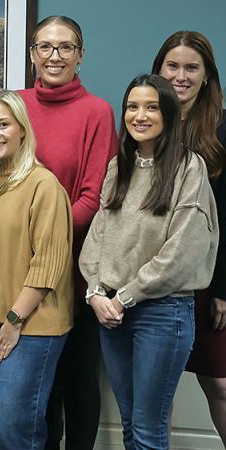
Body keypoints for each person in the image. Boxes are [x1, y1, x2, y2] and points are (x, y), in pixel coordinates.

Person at [80, 74, 218, 450]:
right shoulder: (118, 167)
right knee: (130, 426)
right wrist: (95, 292)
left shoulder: (189, 168)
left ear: (169, 114)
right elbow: (98, 237)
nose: (140, 115)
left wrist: (124, 296)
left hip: (162, 313)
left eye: (152, 107)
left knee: (148, 431)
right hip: (111, 314)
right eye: (132, 106)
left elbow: (182, 251)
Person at [17, 15, 119, 450]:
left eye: (65, 47)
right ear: (32, 55)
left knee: (76, 382)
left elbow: (96, 196)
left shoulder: (98, 112)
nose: (54, 56)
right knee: (35, 390)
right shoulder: (15, 105)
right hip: (16, 269)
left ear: (81, 55)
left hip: (76, 272)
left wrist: (47, 246)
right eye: (45, 47)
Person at [0, 89, 73, 449]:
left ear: (22, 129)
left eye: (3, 124)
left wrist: (14, 319)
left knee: (9, 425)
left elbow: (48, 264)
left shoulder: (43, 185)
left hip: (33, 321)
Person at [152, 31, 226, 446]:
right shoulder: (143, 121)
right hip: (153, 283)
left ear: (206, 75)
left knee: (220, 385)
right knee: (159, 394)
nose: (180, 76)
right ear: (159, 69)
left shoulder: (221, 127)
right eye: (172, 66)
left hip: (206, 283)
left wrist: (223, 290)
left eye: (191, 67)